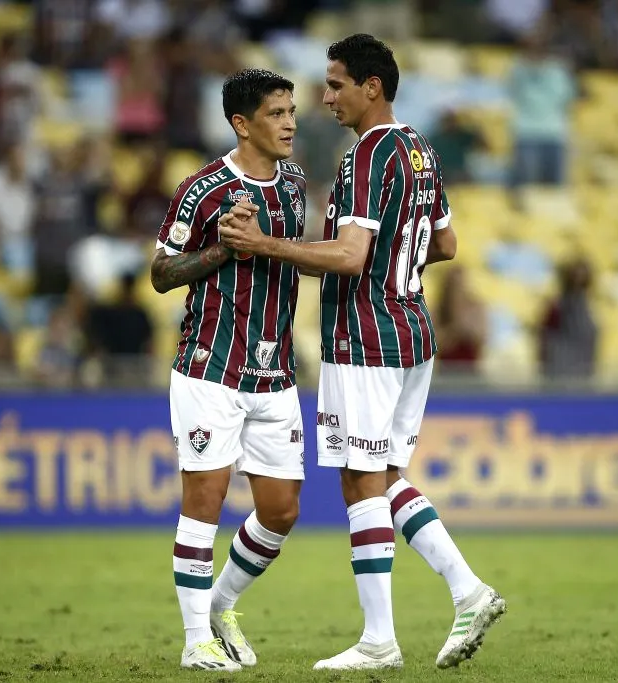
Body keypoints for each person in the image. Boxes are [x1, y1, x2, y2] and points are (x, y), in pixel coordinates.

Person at [219, 35, 506, 671]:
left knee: (360, 482)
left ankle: (381, 638)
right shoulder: (421, 150)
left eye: (336, 83)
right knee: (382, 476)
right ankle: (468, 592)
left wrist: (264, 245)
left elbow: (348, 257)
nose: (325, 98)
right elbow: (448, 242)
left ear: (371, 86)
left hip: (366, 337)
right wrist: (398, 266)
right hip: (413, 333)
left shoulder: (364, 157)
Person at [149, 68, 305, 672]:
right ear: (242, 124)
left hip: (276, 373)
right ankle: (195, 642)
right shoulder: (203, 188)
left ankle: (220, 604)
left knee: (282, 510)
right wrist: (222, 250)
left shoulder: (292, 183)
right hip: (210, 367)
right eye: (276, 113)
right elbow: (161, 273)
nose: (290, 122)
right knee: (205, 501)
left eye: (291, 110)